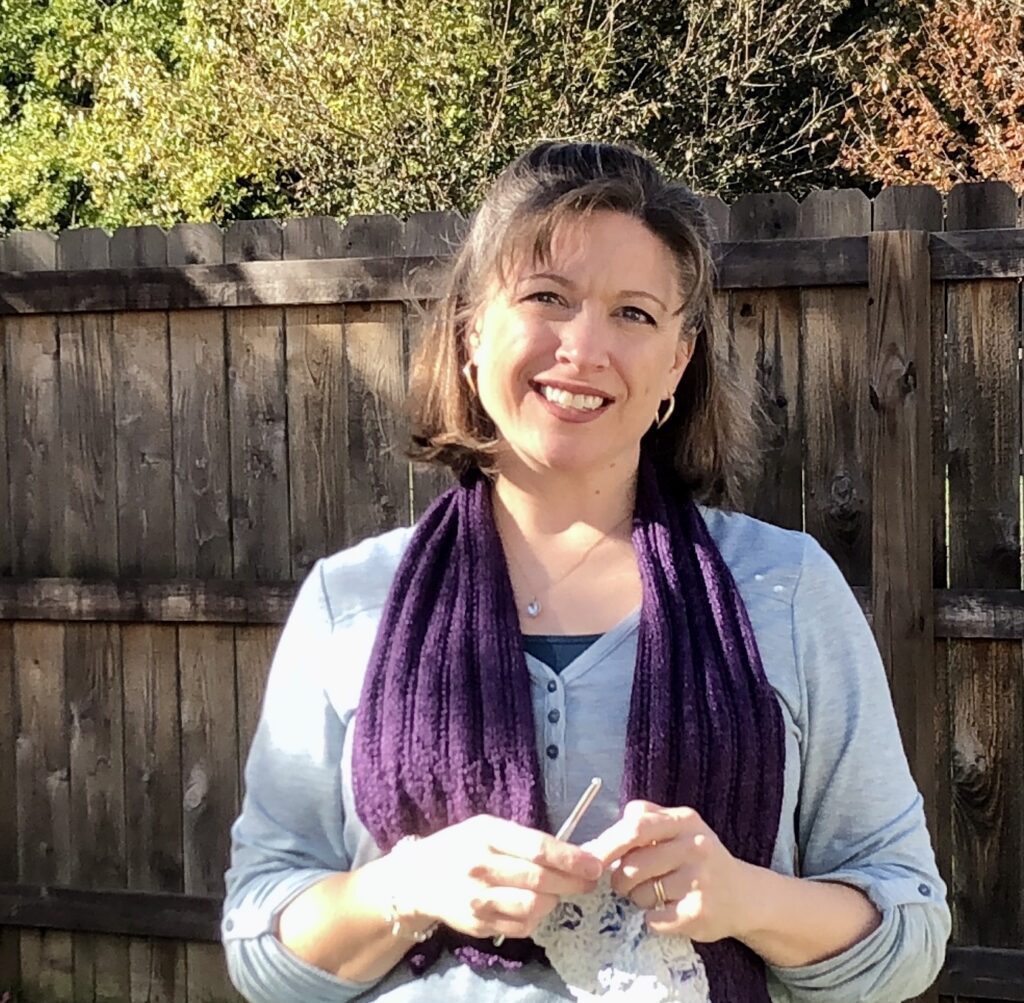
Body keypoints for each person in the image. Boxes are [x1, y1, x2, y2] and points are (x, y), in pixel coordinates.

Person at [222, 141, 951, 1003]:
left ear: (678, 362)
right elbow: (260, 949)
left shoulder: (786, 592)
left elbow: (910, 932)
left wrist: (746, 897)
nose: (583, 346)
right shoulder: (352, 602)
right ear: (471, 329)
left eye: (635, 314)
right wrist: (408, 886)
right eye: (545, 298)